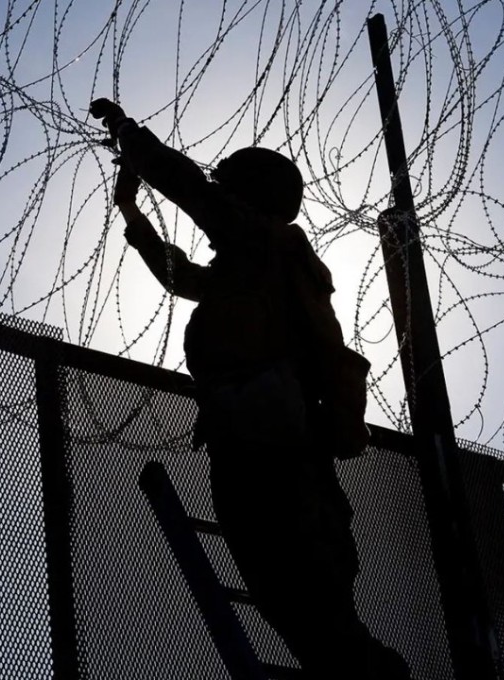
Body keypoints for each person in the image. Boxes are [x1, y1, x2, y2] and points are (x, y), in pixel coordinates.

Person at [91, 98, 411, 679]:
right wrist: (131, 215)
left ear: (251, 194)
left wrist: (127, 137)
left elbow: (189, 187)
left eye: (231, 188)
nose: (224, 197)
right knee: (296, 596)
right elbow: (181, 277)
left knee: (297, 591)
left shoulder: (259, 241)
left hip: (268, 440)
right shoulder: (259, 263)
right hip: (271, 436)